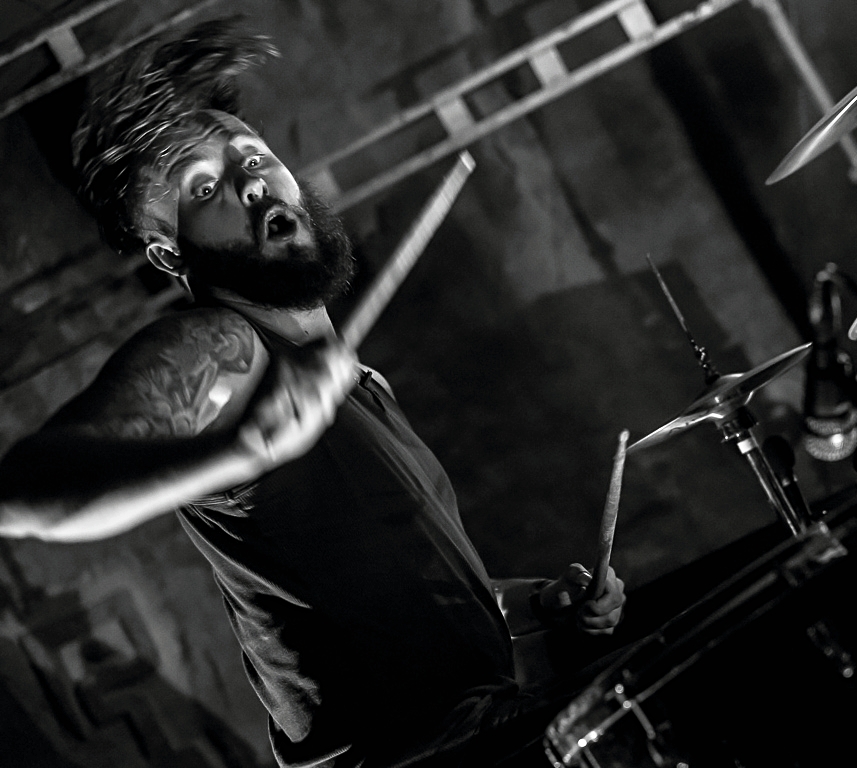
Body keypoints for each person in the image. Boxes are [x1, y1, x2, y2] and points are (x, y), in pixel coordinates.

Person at [0, 19, 626, 768]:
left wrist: (533, 603)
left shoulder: (358, 385)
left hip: (479, 723)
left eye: (253, 157)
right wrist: (238, 452)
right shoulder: (223, 350)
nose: (251, 181)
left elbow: (397, 605)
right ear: (170, 254)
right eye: (206, 188)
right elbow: (24, 495)